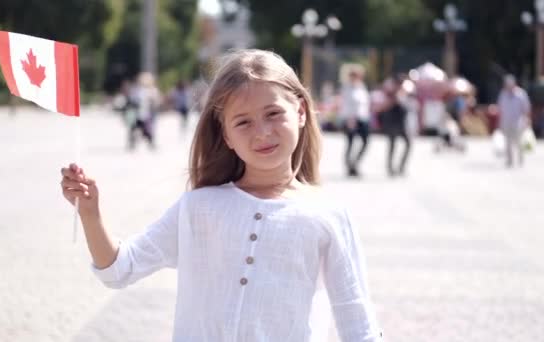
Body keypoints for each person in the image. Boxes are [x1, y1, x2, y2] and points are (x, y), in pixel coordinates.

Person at [60, 49, 382, 341]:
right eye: (243, 122)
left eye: (273, 113)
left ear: (299, 111)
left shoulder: (328, 214)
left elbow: (357, 322)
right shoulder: (198, 208)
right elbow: (119, 269)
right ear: (226, 135)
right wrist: (90, 213)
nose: (262, 132)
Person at [339, 67, 370, 177]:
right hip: (351, 119)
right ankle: (349, 166)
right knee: (350, 143)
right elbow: (347, 105)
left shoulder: (362, 87)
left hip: (362, 118)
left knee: (365, 142)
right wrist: (349, 119)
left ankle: (355, 163)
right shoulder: (347, 88)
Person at [496, 74, 531, 167]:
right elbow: (500, 109)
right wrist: (499, 122)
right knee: (507, 142)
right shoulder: (503, 94)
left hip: (518, 122)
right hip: (506, 122)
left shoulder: (521, 94)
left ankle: (520, 159)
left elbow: (526, 108)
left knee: (519, 142)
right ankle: (510, 160)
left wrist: (527, 120)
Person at [379, 76, 411, 177]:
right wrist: (394, 100)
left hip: (402, 123)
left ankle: (401, 166)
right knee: (392, 145)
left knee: (408, 144)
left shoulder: (404, 93)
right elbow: (384, 106)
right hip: (392, 122)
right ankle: (390, 168)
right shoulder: (392, 93)